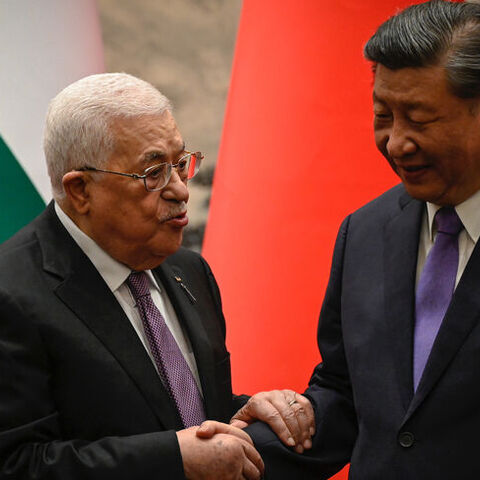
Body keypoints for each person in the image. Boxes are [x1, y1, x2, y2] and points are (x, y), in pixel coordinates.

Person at [227, 1, 480, 478]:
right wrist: (247, 445)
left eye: (420, 119)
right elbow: (347, 394)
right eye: (383, 115)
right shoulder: (365, 232)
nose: (397, 142)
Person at [0, 73, 265, 479]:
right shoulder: (12, 294)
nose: (180, 189)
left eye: (180, 163)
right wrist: (171, 461)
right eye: (153, 173)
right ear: (81, 190)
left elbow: (175, 409)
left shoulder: (188, 270)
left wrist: (251, 411)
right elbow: (17, 464)